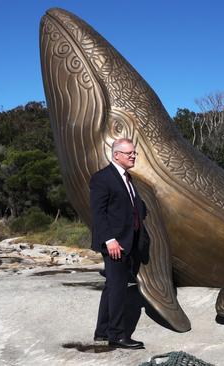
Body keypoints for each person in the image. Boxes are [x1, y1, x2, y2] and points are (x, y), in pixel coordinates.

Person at [90, 138, 148, 350]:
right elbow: (98, 214)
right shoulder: (102, 178)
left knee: (112, 288)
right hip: (115, 244)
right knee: (118, 290)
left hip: (127, 242)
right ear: (116, 155)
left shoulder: (128, 178)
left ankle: (102, 333)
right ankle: (117, 335)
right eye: (129, 153)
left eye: (134, 153)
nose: (133, 156)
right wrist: (109, 239)